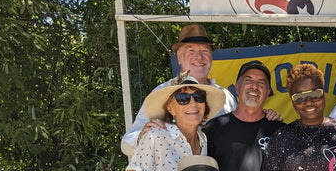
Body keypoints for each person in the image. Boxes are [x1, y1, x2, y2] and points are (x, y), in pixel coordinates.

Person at [120, 24, 280, 158]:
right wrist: (142, 137)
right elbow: (127, 144)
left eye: (205, 51)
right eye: (191, 51)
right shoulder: (163, 93)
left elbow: (241, 125)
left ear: (211, 57)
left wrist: (264, 116)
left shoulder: (225, 96)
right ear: (179, 58)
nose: (199, 57)